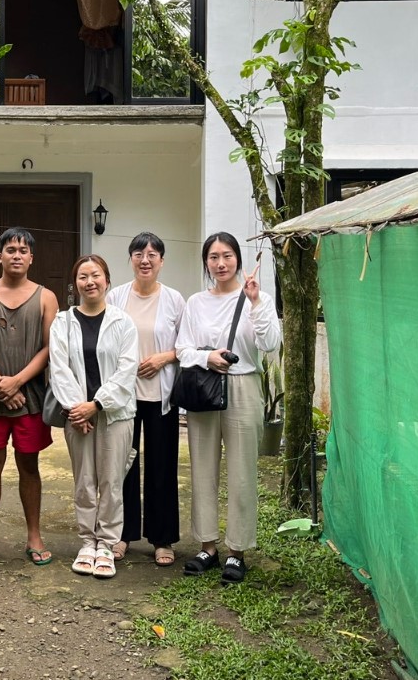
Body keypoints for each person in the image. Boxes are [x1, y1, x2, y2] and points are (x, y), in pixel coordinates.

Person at [176, 232, 281, 584]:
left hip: (243, 385)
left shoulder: (258, 299)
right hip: (204, 387)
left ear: (238, 258)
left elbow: (270, 343)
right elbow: (182, 350)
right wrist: (208, 357)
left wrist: (255, 302)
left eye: (227, 256)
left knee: (241, 471)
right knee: (202, 467)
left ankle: (237, 550)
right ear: (206, 262)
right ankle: (207, 546)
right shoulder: (196, 302)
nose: (220, 263)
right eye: (213, 257)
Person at [0, 227, 59, 568]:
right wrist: (0, 385)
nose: (17, 255)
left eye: (23, 250)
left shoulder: (46, 297)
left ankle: (34, 536)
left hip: (31, 396)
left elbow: (49, 348)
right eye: (11, 250)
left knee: (29, 465)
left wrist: (16, 382)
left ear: (32, 258)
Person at [48, 254, 137, 579]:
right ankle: (88, 541)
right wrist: (77, 408)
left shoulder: (123, 322)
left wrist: (96, 404)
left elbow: (128, 370)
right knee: (84, 482)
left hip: (115, 414)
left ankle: (108, 545)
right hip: (77, 417)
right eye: (83, 276)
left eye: (96, 275)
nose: (90, 282)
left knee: (112, 482)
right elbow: (59, 368)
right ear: (75, 285)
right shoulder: (62, 322)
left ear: (107, 281)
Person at [106, 232, 185, 567]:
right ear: (131, 260)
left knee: (161, 465)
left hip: (161, 396)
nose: (145, 260)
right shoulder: (116, 297)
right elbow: (107, 340)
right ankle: (121, 534)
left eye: (153, 254)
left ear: (162, 261)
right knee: (123, 465)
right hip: (125, 396)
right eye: (139, 254)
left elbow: (187, 344)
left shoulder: (174, 300)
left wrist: (163, 358)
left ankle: (161, 538)